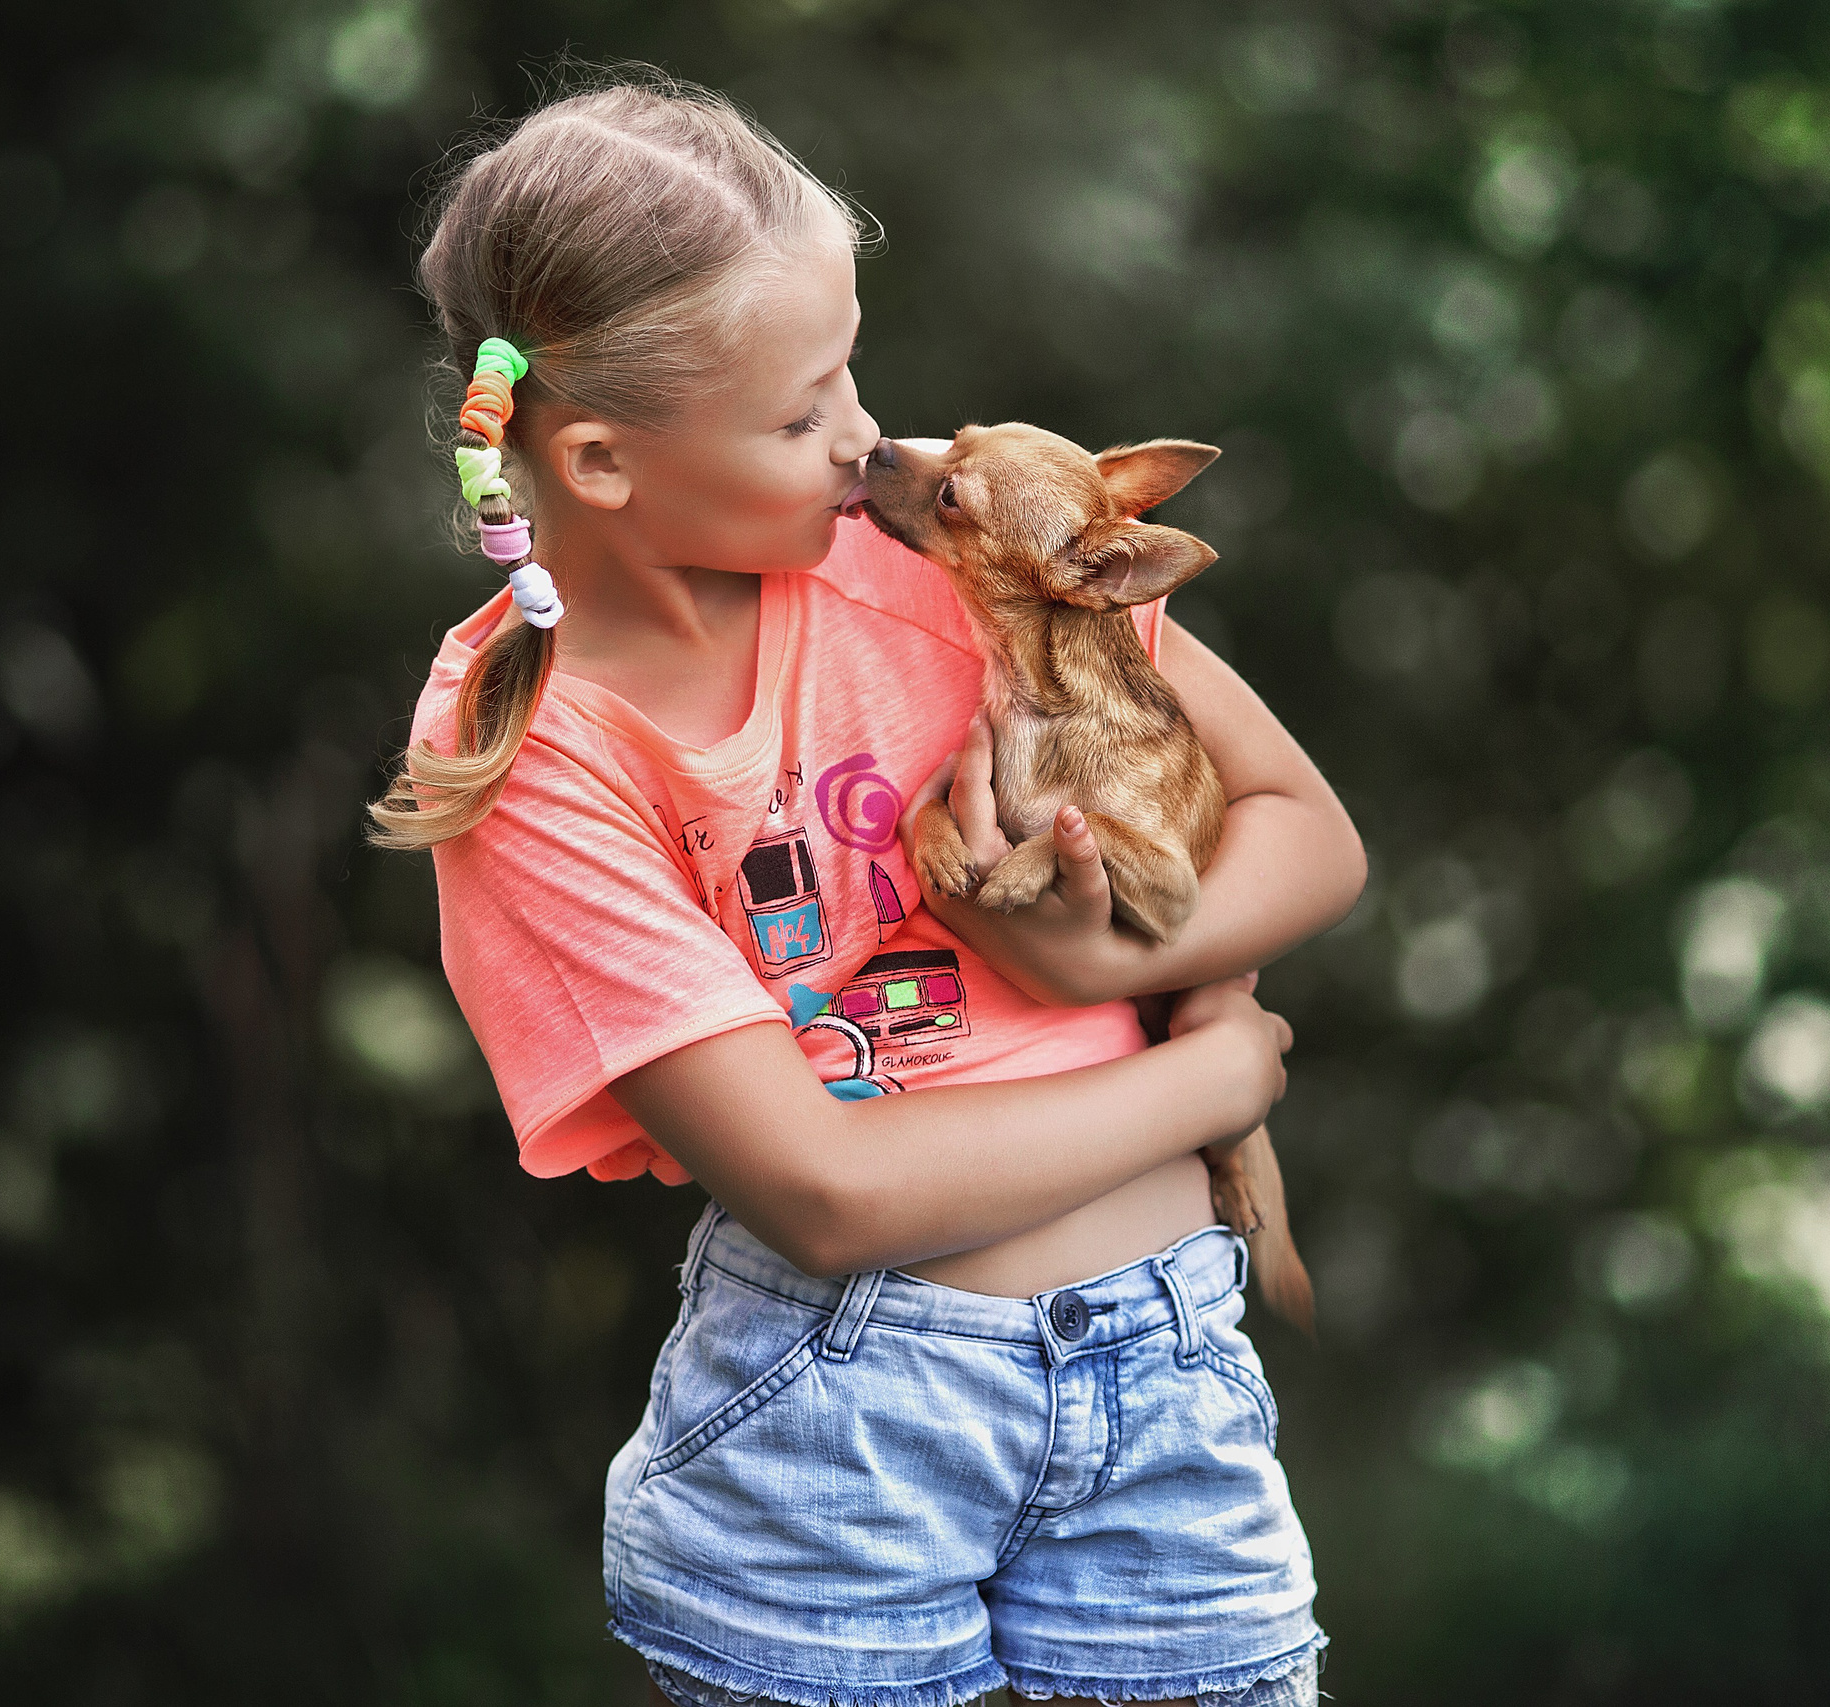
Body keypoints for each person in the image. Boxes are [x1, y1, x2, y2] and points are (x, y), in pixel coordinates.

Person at [368, 75, 1366, 1707]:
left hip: (1169, 1386)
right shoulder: (530, 754)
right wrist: (1209, 1069)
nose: (870, 439)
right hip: (838, 1447)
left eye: (851, 367)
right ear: (604, 463)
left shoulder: (938, 556)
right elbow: (823, 1191)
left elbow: (1305, 827)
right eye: (801, 410)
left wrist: (1097, 964)